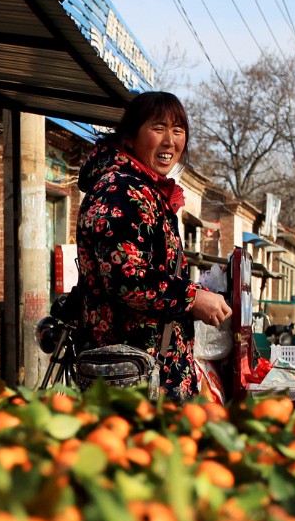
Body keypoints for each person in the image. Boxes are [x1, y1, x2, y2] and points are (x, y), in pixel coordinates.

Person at [74, 91, 231, 399]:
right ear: (130, 138)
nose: (170, 140)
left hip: (150, 370)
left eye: (178, 130)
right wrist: (193, 299)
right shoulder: (120, 190)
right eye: (158, 128)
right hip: (131, 376)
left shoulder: (146, 190)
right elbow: (126, 277)